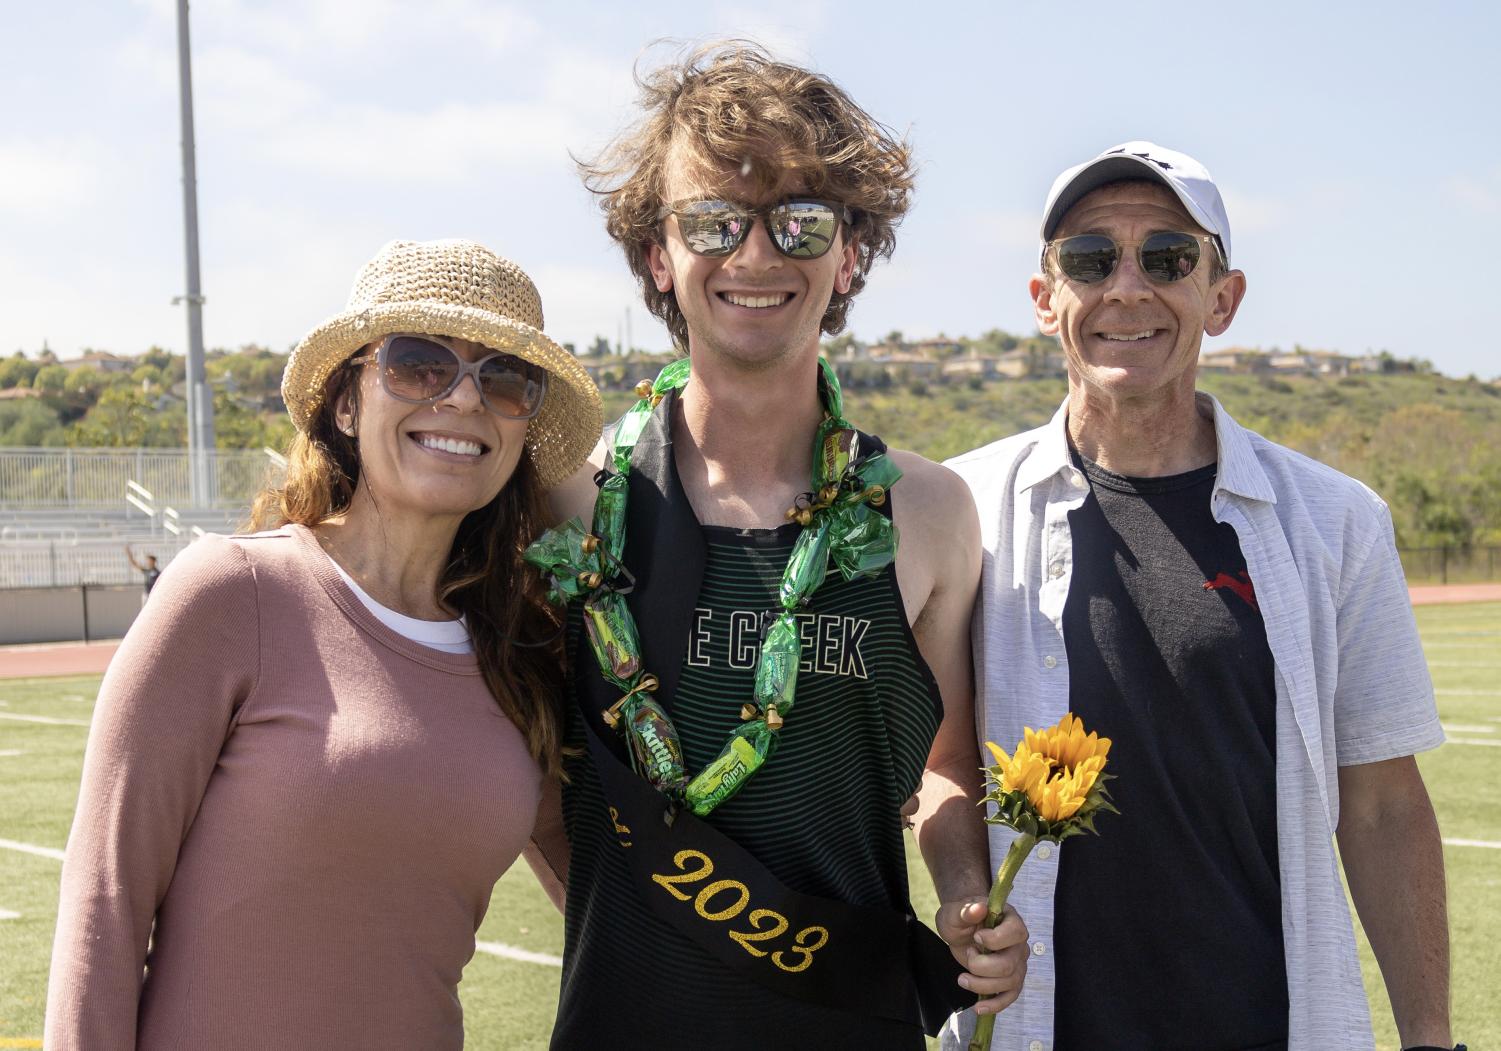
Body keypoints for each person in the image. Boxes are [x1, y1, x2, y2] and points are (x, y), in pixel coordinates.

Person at [525, 42, 1028, 1050]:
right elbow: (533, 774)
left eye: (800, 220)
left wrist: (968, 896)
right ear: (656, 257)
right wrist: (668, 921)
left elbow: (941, 764)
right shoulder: (564, 509)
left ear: (850, 254)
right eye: (712, 220)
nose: (756, 256)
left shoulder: (928, 513)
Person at [943, 142, 1457, 1051]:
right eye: (1089, 258)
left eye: (1169, 257)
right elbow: (937, 766)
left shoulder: (1337, 520)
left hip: (1271, 1025)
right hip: (1037, 1028)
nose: (1127, 288)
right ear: (1044, 299)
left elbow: (1381, 806)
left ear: (1221, 297)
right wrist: (961, 896)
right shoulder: (961, 512)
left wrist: (1427, 1037)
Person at [45, 239, 602, 1049]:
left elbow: (613, 906)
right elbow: (104, 898)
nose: (461, 400)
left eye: (505, 379)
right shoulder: (232, 592)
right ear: (346, 403)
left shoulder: (518, 658)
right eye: (418, 364)